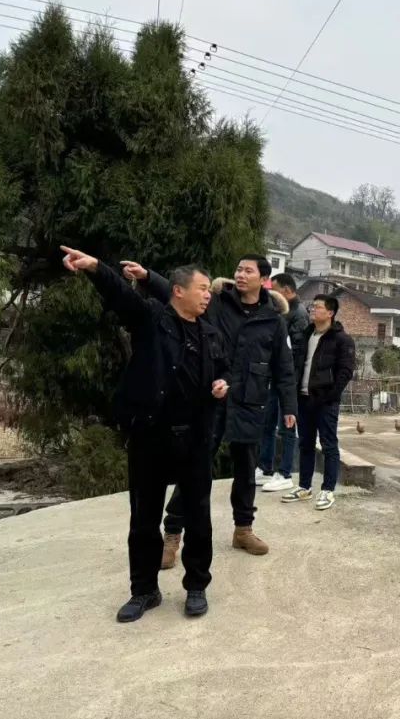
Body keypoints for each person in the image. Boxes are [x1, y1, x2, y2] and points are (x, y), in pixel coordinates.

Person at [60, 246, 229, 622]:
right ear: (179, 291)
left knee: (198, 518)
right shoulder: (152, 319)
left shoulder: (211, 333)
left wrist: (223, 383)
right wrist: (95, 267)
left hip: (196, 438)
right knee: (144, 519)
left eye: (209, 290)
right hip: (151, 435)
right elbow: (121, 296)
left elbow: (225, 368)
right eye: (202, 288)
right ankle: (144, 591)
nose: (208, 295)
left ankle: (196, 586)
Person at [122, 255, 296, 561]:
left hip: (250, 402)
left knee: (246, 471)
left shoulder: (274, 320)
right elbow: (179, 294)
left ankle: (243, 530)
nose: (240, 274)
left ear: (263, 279)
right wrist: (147, 276)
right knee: (194, 468)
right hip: (209, 399)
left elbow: (284, 367)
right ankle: (172, 535)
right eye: (238, 269)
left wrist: (289, 406)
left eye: (248, 271)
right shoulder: (217, 303)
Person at [281, 294, 356, 511]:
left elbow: (345, 372)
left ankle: (328, 490)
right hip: (303, 398)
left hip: (325, 401)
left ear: (330, 313)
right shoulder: (306, 335)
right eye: (312, 306)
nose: (313, 310)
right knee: (305, 444)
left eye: (318, 307)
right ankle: (304, 486)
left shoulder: (341, 340)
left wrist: (330, 396)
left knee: (328, 444)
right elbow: (297, 365)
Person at [260, 273, 310, 492]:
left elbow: (296, 354)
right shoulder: (281, 312)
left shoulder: (298, 314)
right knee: (267, 423)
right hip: (273, 377)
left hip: (287, 381)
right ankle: (265, 468)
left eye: (275, 290)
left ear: (287, 290)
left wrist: (290, 384)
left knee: (287, 427)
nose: (272, 294)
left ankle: (285, 473)